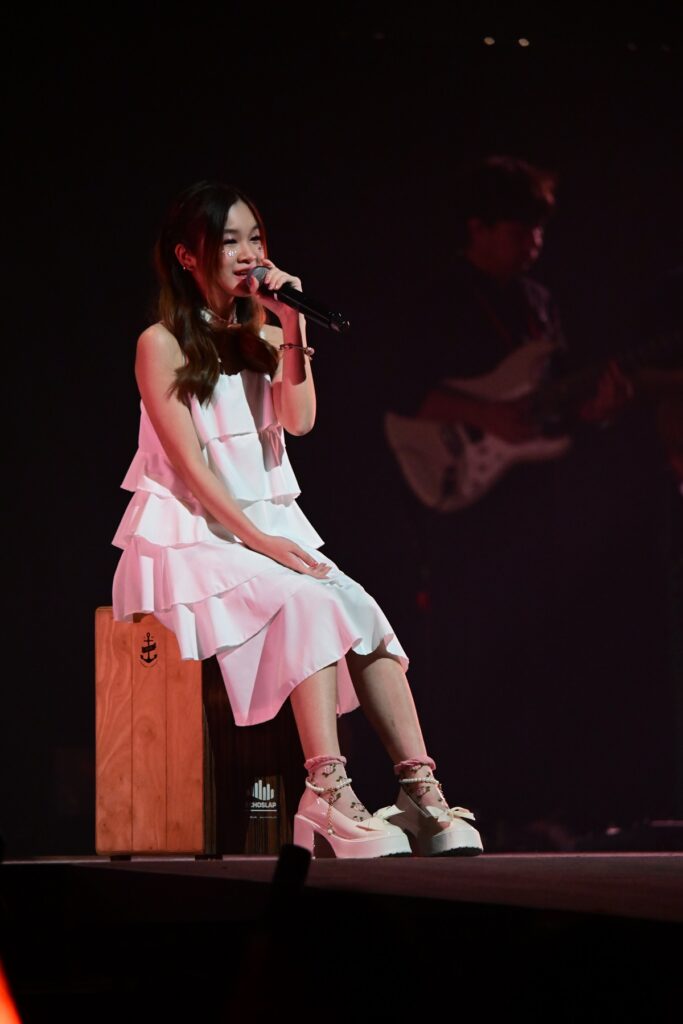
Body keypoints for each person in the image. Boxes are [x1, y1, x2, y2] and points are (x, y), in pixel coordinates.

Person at [110, 178, 483, 859]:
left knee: (360, 607)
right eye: (229, 241)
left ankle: (418, 788)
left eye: (255, 238)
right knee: (308, 600)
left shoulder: (261, 333)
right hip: (189, 538)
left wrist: (291, 323)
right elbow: (192, 469)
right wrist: (260, 542)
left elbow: (300, 422)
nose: (248, 253)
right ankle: (326, 791)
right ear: (187, 256)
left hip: (267, 534)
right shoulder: (160, 344)